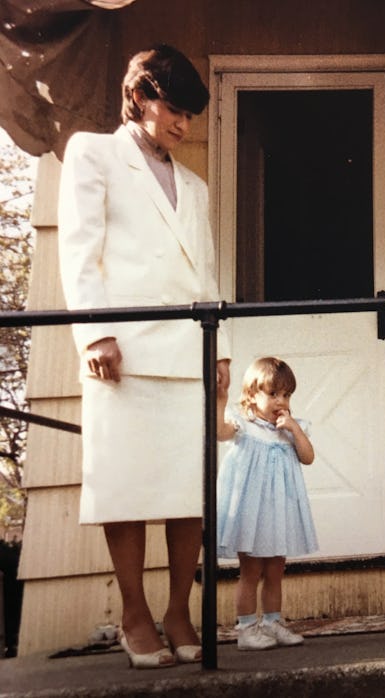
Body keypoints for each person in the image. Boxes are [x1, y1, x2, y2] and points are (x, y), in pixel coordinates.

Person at [57, 44, 231, 669]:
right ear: (138, 97)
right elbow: (80, 250)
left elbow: (207, 273)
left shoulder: (195, 186)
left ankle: (179, 610)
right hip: (122, 352)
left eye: (190, 114)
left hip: (188, 348)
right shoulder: (92, 153)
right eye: (173, 108)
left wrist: (222, 348)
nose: (182, 125)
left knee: (188, 493)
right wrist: (94, 334)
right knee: (128, 489)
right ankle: (135, 614)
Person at [216, 356, 318, 651]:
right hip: (252, 513)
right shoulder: (243, 425)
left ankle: (273, 623)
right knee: (251, 572)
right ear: (252, 395)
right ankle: (247, 629)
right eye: (273, 394)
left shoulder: (290, 430)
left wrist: (295, 430)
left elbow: (308, 457)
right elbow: (220, 433)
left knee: (276, 570)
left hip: (280, 514)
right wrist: (220, 400)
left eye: (286, 395)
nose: (280, 401)